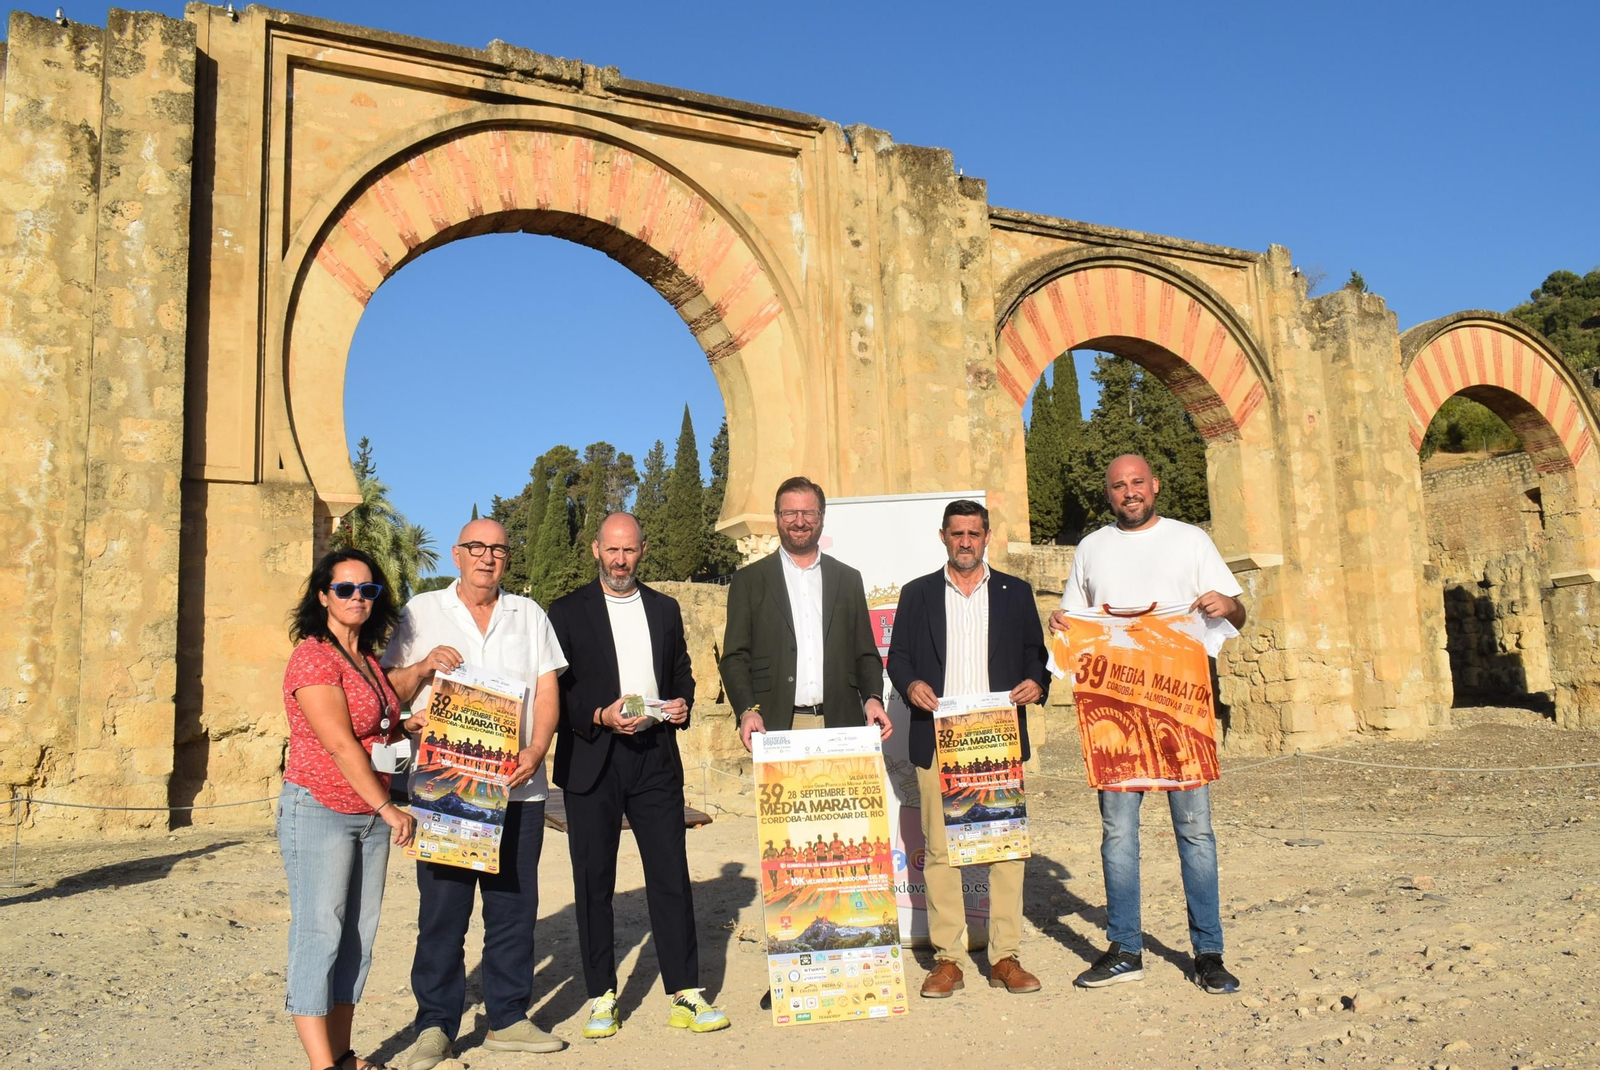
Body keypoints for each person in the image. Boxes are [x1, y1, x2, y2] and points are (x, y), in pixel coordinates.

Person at [1048, 454, 1247, 995]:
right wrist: (1061, 623)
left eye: (1137, 483)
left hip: (1181, 714)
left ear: (1154, 485)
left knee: (1196, 832)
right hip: (1114, 717)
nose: (1129, 492)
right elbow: (1074, 621)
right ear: (1108, 494)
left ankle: (1208, 952)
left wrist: (1227, 603)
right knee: (1117, 834)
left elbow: (1238, 616)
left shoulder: (1190, 541)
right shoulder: (1092, 548)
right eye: (1118, 485)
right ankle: (1125, 948)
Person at [383, 518, 569, 1068]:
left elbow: (547, 689)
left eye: (498, 549)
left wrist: (537, 752)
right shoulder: (422, 610)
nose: (488, 557)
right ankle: (435, 1025)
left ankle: (507, 1018)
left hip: (519, 790)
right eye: (477, 548)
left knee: (513, 909)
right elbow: (391, 689)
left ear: (507, 558)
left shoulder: (529, 615)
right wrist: (421, 669)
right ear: (457, 554)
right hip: (446, 791)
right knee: (443, 912)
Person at [547, 513, 730, 1039]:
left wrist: (682, 703)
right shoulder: (565, 612)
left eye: (629, 551)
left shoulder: (665, 609)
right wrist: (599, 716)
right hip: (593, 757)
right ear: (595, 550)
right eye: (612, 550)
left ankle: (685, 992)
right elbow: (555, 691)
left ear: (642, 550)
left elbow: (681, 674)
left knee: (670, 874)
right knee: (593, 881)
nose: (620, 560)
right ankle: (601, 994)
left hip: (654, 756)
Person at [886, 499, 1050, 998]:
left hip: (996, 739)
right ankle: (948, 959)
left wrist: (1035, 683)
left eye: (973, 534)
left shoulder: (1015, 593)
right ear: (943, 536)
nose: (965, 542)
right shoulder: (916, 595)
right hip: (938, 739)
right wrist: (911, 684)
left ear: (987, 537)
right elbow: (899, 659)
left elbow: (1036, 657)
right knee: (940, 853)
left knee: (1005, 853)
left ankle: (1005, 955)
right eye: (956, 533)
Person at [278, 547, 418, 1070]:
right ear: (323, 596)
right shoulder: (312, 656)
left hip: (367, 815)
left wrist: (410, 722)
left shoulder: (367, 661)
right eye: (345, 588)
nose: (357, 597)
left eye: (368, 589)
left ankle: (341, 1054)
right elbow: (338, 742)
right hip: (321, 809)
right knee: (319, 931)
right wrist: (388, 807)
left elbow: (377, 726)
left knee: (357, 937)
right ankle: (322, 1067)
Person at [720, 476, 893, 747]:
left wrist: (873, 698)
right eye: (790, 512)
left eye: (808, 513)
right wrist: (747, 709)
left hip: (842, 724)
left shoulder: (848, 579)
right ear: (777, 517)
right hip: (776, 726)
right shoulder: (749, 581)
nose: (799, 522)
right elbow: (735, 658)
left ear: (821, 517)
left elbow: (866, 654)